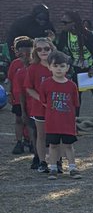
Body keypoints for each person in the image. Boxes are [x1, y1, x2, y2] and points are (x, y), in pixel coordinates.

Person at [57, 11, 93, 126]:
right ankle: (76, 118)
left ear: (73, 23)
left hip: (90, 67)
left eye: (65, 22)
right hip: (77, 67)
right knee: (77, 93)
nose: (63, 25)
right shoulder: (64, 35)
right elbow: (59, 49)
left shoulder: (86, 35)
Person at [40, 51, 80, 177]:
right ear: (49, 67)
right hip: (53, 122)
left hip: (67, 122)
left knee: (68, 145)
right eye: (55, 66)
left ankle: (72, 168)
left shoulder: (72, 86)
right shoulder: (46, 84)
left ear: (67, 68)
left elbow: (75, 103)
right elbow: (44, 101)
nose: (59, 69)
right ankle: (53, 168)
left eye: (62, 66)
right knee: (53, 145)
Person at [24, 36, 55, 172]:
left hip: (56, 106)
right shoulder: (33, 68)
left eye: (46, 48)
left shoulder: (57, 65)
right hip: (40, 107)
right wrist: (42, 99)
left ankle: (56, 161)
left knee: (55, 135)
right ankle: (42, 162)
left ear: (51, 49)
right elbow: (29, 88)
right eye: (39, 49)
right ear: (35, 51)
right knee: (41, 135)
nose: (43, 51)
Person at [8, 36, 33, 154]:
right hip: (18, 98)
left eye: (28, 50)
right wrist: (10, 94)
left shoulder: (35, 65)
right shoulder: (14, 64)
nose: (24, 53)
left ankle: (31, 140)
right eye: (21, 50)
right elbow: (11, 80)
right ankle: (19, 142)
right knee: (19, 119)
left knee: (30, 120)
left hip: (31, 98)